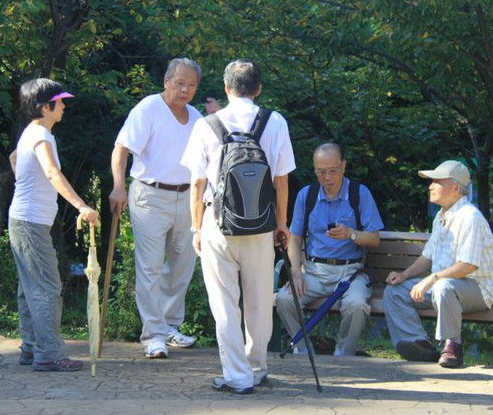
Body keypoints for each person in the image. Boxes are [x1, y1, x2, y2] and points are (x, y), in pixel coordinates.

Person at [182, 59, 295, 395]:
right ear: (258, 89)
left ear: (227, 87)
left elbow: (197, 183)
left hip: (218, 223)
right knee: (260, 300)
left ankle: (237, 375)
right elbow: (282, 179)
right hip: (260, 226)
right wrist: (281, 223)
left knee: (224, 303)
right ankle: (257, 368)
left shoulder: (207, 124)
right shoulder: (274, 122)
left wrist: (195, 228)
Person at [109, 58, 205, 359]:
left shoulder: (196, 116)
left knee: (182, 266)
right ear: (166, 81)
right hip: (150, 195)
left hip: (188, 197)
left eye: (191, 85)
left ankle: (170, 325)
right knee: (149, 266)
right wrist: (118, 185)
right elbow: (121, 147)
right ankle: (153, 335)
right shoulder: (148, 108)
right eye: (180, 83)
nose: (185, 90)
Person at [8, 78, 99, 372]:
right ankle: (49, 354)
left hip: (23, 219)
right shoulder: (43, 137)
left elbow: (14, 158)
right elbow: (51, 171)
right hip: (30, 222)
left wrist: (25, 183)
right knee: (47, 287)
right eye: (59, 102)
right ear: (45, 107)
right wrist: (82, 206)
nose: (62, 106)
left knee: (29, 288)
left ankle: (32, 348)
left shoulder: (32, 133)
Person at [383, 160, 493, 368]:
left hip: (476, 289)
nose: (430, 186)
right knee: (395, 291)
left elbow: (468, 266)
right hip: (443, 287)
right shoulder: (441, 216)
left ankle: (453, 345)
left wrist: (432, 278)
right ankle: (420, 344)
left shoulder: (470, 217)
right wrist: (404, 275)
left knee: (444, 287)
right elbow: (427, 257)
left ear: (455, 188)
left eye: (436, 181)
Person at [275, 143, 384, 356]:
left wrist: (350, 234)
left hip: (350, 273)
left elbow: (374, 239)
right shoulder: (307, 195)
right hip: (315, 272)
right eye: (321, 172)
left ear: (343, 166)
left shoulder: (358, 193)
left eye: (333, 170)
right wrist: (296, 273)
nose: (327, 177)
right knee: (284, 299)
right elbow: (295, 238)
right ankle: (304, 352)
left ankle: (343, 356)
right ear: (314, 170)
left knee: (356, 305)